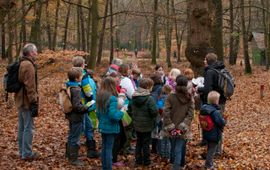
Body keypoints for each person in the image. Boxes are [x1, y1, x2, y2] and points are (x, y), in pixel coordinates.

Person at [197, 53, 227, 155]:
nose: (204, 61)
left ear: (208, 61)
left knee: (215, 125)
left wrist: (198, 88)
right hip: (221, 101)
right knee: (218, 124)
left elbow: (207, 89)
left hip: (213, 103)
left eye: (205, 59)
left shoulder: (210, 72)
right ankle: (216, 149)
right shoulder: (220, 69)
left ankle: (216, 151)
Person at [163, 75, 194, 170]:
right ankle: (178, 165)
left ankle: (176, 166)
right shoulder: (189, 97)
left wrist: (170, 124)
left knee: (174, 147)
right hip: (183, 128)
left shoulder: (170, 97)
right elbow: (191, 114)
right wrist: (184, 125)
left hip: (172, 127)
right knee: (179, 148)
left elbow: (166, 112)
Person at [15, 43, 39, 161]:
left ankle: (22, 151)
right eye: (35, 52)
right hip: (26, 101)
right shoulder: (28, 65)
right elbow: (30, 86)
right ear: (30, 53)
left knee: (22, 127)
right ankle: (27, 154)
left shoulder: (21, 62)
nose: (37, 54)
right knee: (28, 127)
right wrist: (33, 102)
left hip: (19, 99)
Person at [72, 56, 99, 158]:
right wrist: (92, 98)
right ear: (83, 65)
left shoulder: (73, 75)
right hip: (85, 106)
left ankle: (90, 149)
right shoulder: (83, 77)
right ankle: (89, 150)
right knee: (87, 127)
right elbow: (88, 92)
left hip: (81, 105)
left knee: (86, 127)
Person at [65, 67, 93, 166]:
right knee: (75, 137)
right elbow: (77, 106)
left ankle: (69, 154)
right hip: (77, 116)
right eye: (81, 75)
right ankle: (73, 159)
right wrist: (86, 107)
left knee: (72, 134)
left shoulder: (69, 86)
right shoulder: (76, 89)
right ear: (77, 78)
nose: (82, 77)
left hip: (71, 116)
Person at [127, 78, 158, 166]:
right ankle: (146, 161)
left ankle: (138, 160)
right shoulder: (149, 99)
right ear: (148, 87)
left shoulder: (133, 97)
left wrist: (134, 117)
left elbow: (129, 110)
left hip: (137, 124)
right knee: (146, 144)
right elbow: (154, 112)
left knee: (139, 142)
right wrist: (152, 118)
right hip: (147, 125)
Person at [96, 77, 124, 170]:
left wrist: (101, 120)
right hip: (110, 127)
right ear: (112, 85)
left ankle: (105, 166)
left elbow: (98, 113)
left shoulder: (100, 96)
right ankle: (108, 167)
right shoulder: (112, 98)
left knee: (104, 147)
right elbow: (113, 115)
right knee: (108, 149)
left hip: (103, 125)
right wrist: (121, 113)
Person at [200, 91, 226, 169]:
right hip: (214, 133)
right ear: (216, 101)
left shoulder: (204, 108)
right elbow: (220, 122)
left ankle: (209, 162)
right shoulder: (215, 112)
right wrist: (224, 121)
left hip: (206, 132)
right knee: (212, 150)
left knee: (209, 148)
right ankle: (208, 165)